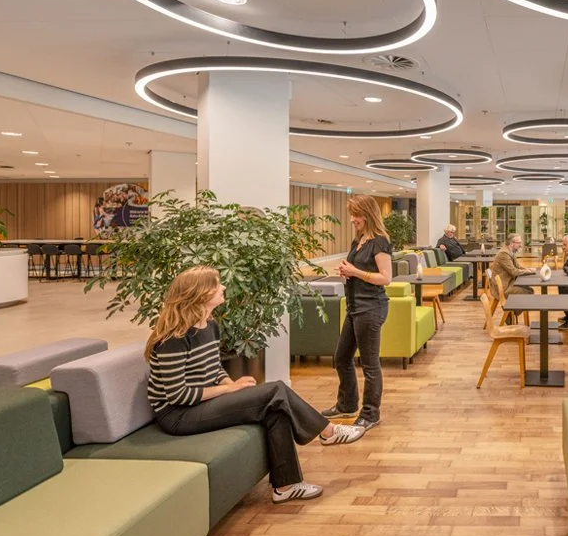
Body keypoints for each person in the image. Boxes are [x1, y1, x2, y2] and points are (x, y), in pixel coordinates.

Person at [146, 266, 358, 506]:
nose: (223, 287)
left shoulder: (210, 326)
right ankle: (327, 431)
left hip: (202, 403)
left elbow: (214, 369)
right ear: (201, 294)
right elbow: (177, 395)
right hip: (178, 415)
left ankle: (286, 486)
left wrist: (230, 383)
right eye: (217, 285)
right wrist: (229, 390)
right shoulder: (173, 339)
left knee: (276, 408)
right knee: (276, 389)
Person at [322, 194, 392, 435]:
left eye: (356, 214)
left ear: (368, 215)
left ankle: (370, 414)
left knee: (370, 365)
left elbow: (386, 278)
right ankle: (347, 404)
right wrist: (348, 271)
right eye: (351, 214)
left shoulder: (379, 242)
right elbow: (360, 270)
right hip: (354, 307)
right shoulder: (359, 241)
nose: (352, 219)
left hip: (371, 307)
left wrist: (355, 271)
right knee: (341, 357)